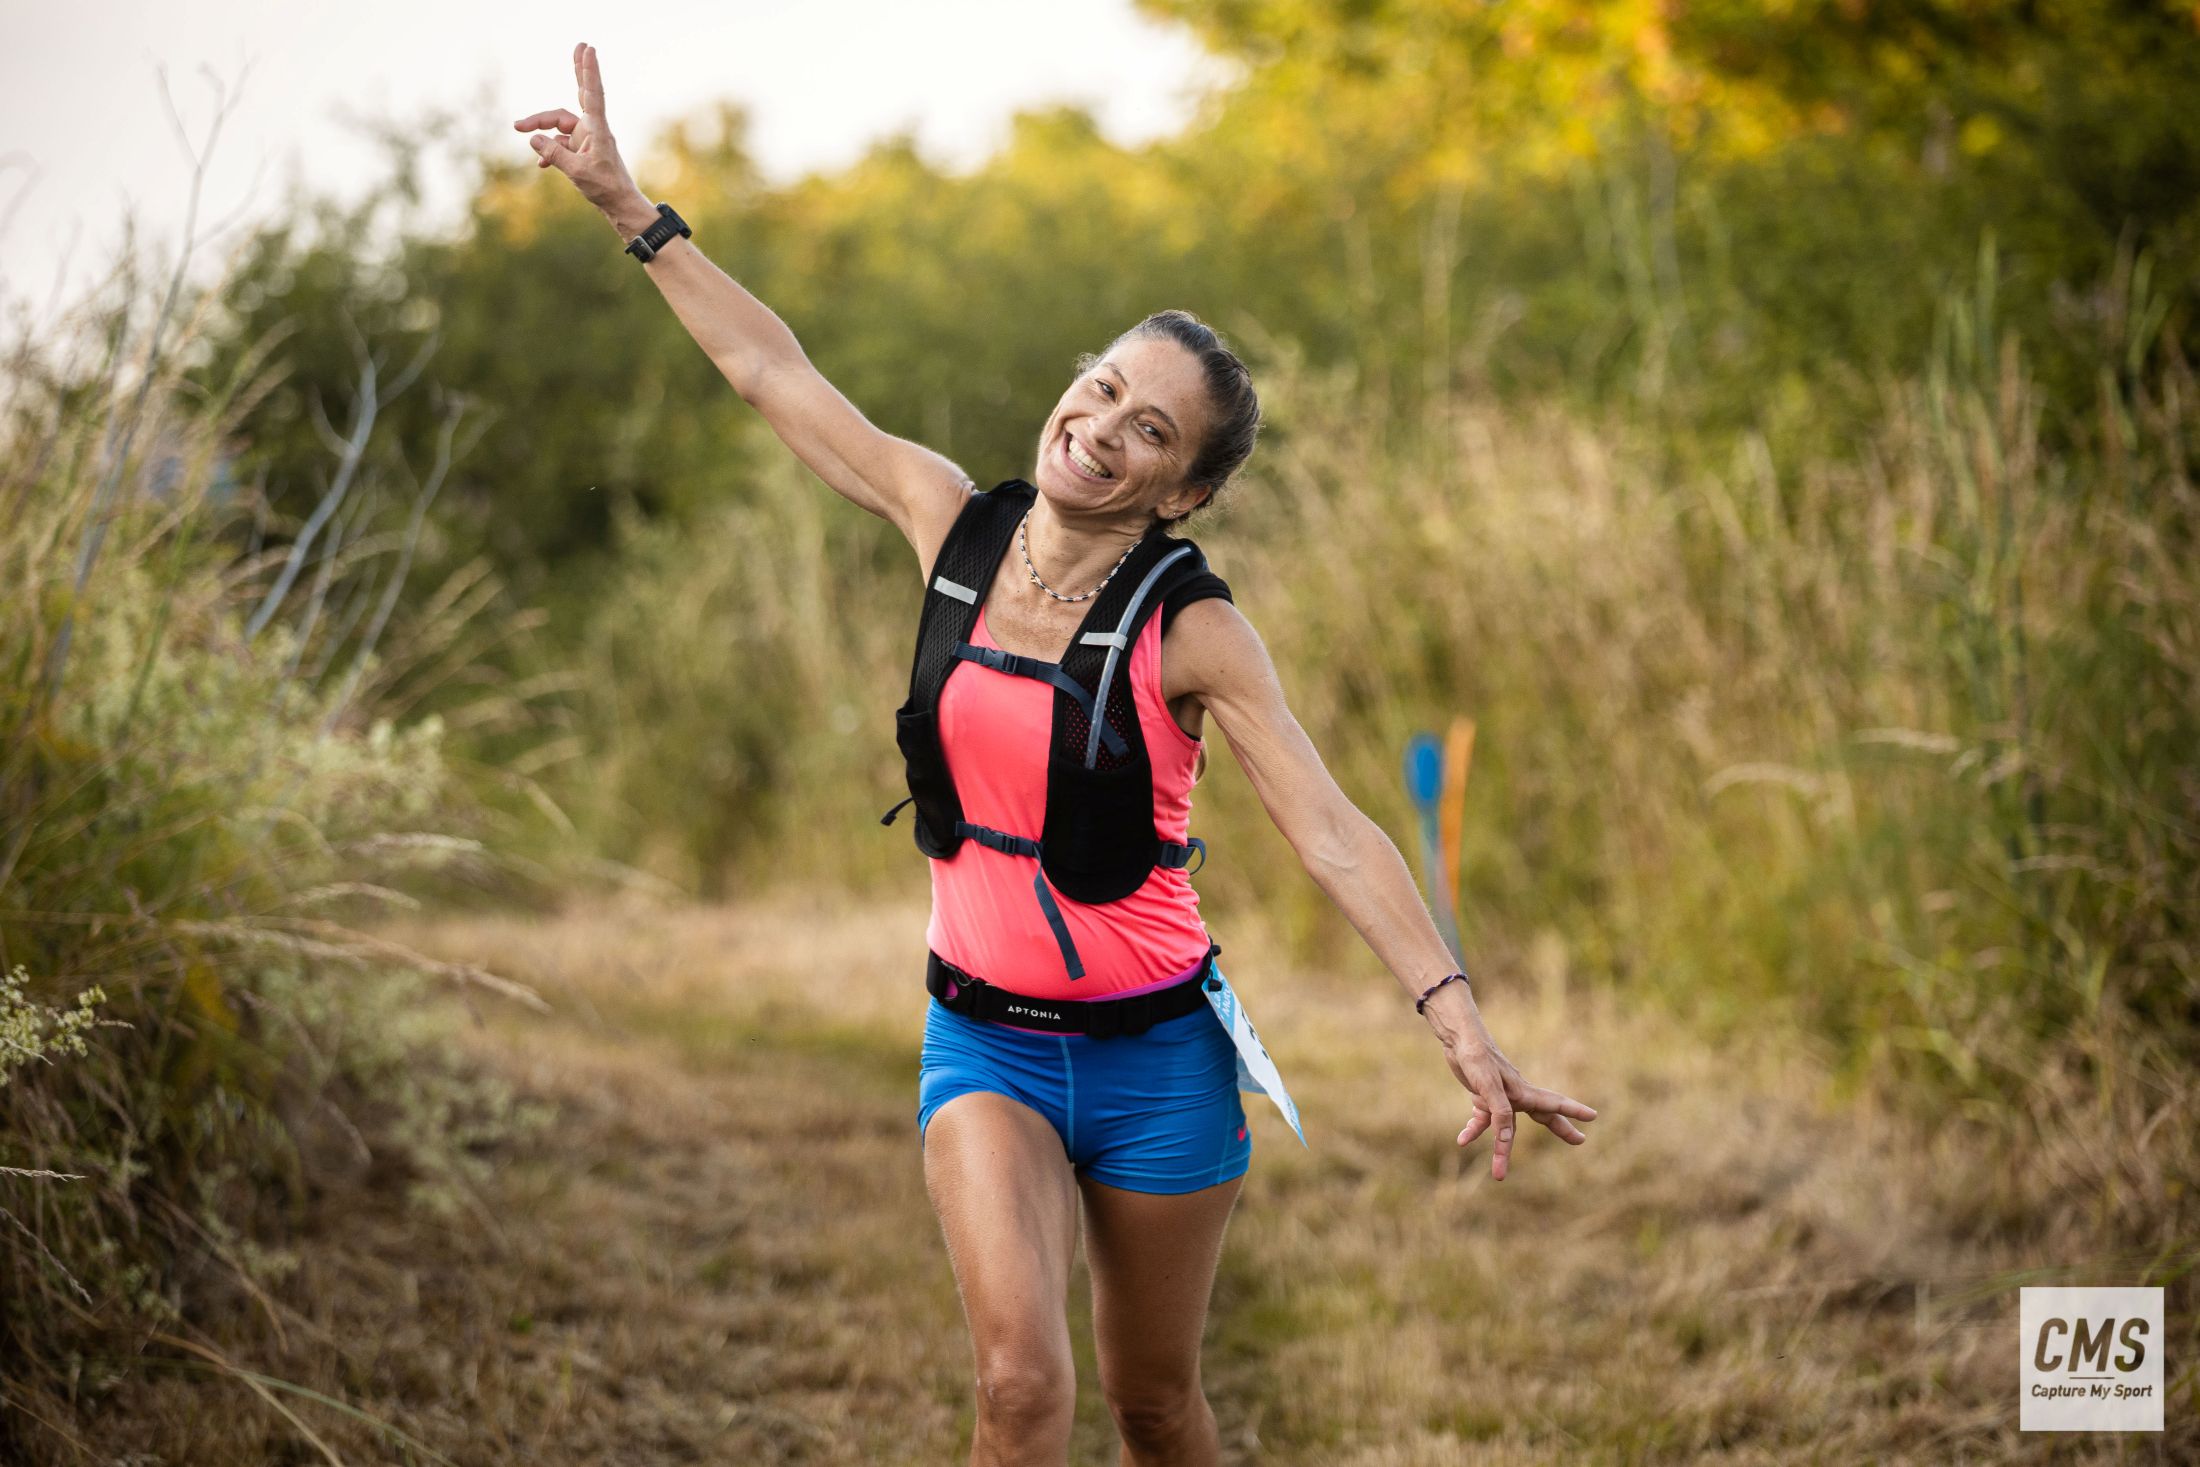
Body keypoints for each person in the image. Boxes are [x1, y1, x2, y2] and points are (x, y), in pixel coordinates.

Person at [519, 43, 1598, 1467]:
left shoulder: (1196, 630)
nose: (1097, 431)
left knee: (1157, 1405)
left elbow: (1332, 828)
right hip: (985, 1043)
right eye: (1098, 391)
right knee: (1021, 1390)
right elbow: (769, 368)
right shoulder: (948, 522)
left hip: (1160, 1062)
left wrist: (1456, 1015)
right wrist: (628, 208)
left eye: (1148, 430)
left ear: (1187, 487)